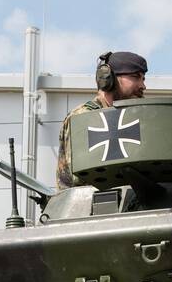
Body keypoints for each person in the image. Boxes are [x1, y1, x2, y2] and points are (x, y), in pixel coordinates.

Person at [56, 50, 148, 190]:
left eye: (143, 79)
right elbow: (81, 177)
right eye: (136, 77)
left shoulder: (132, 118)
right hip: (84, 206)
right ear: (108, 78)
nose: (143, 86)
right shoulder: (84, 116)